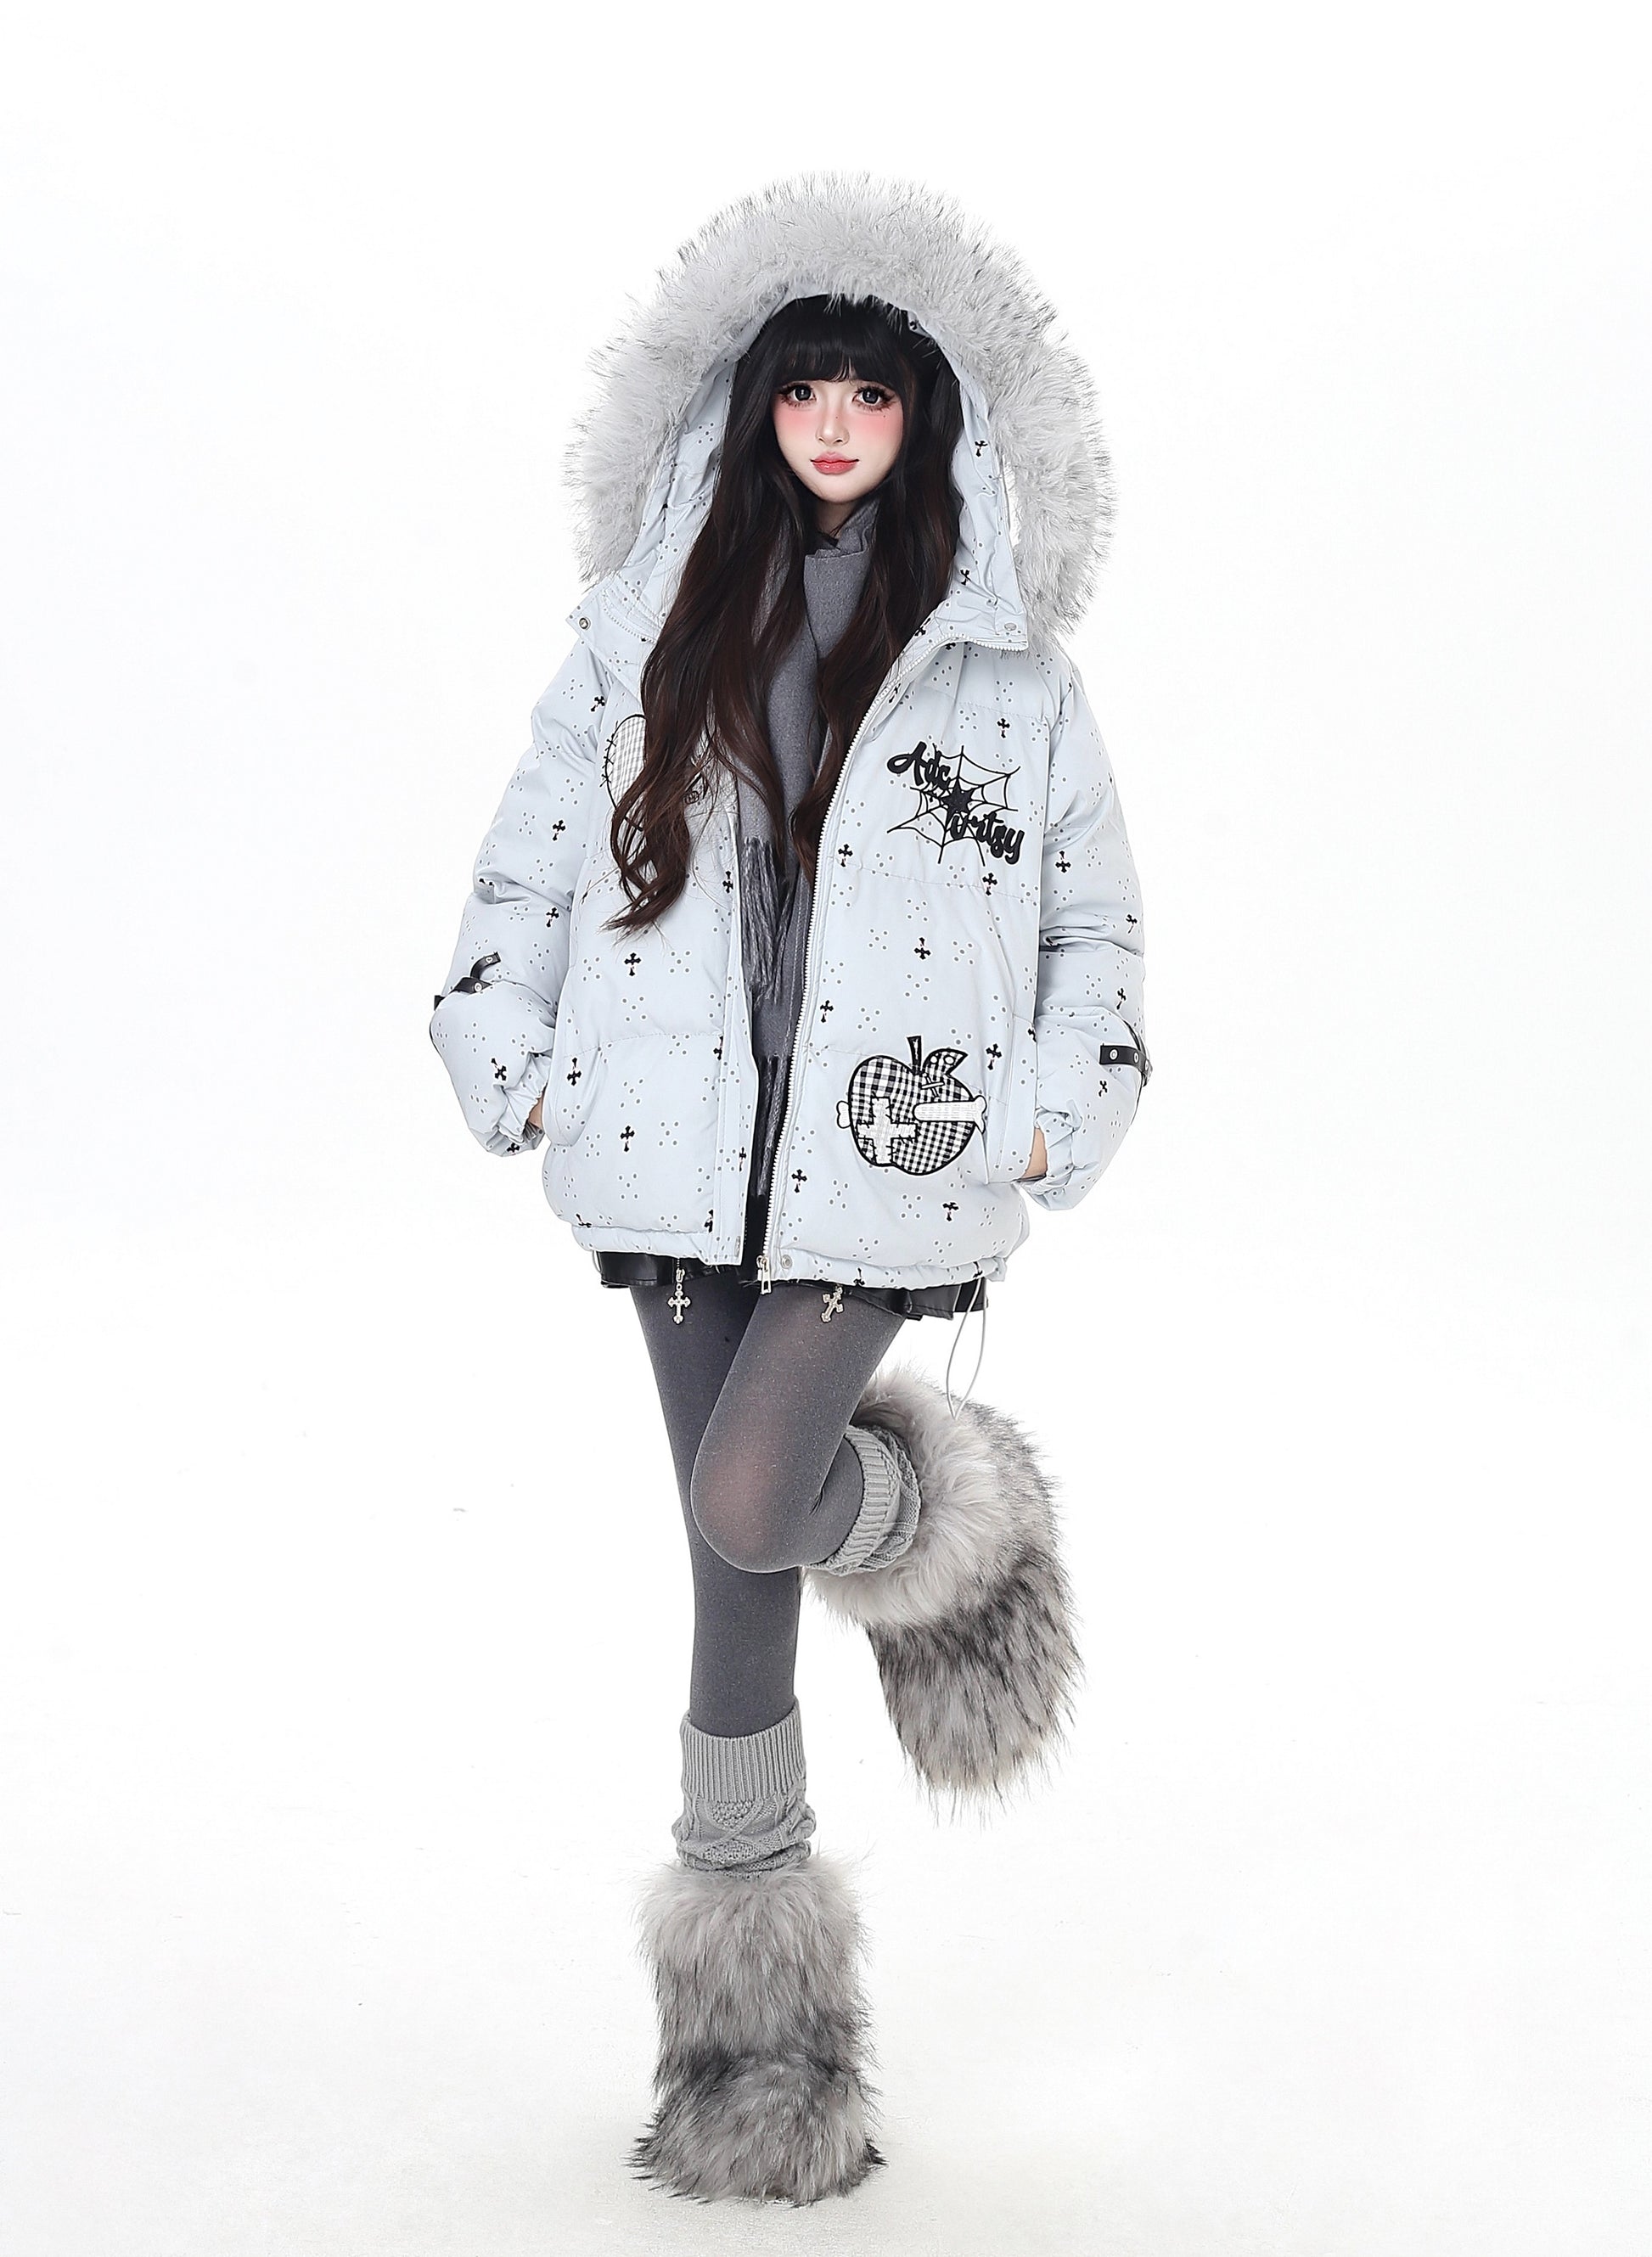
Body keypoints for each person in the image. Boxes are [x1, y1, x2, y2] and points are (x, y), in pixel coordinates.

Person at [430, 173, 1149, 2206]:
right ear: (749, 408)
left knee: (758, 1496)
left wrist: (1040, 1122)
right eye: (803, 388)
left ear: (932, 424)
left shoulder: (1009, 678)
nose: (833, 423)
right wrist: (510, 1053)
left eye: (872, 394)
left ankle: (955, 1523)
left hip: (888, 1162)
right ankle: (754, 2065)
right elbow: (527, 859)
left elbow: (1096, 934)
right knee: (729, 1588)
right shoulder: (645, 629)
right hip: (674, 1162)